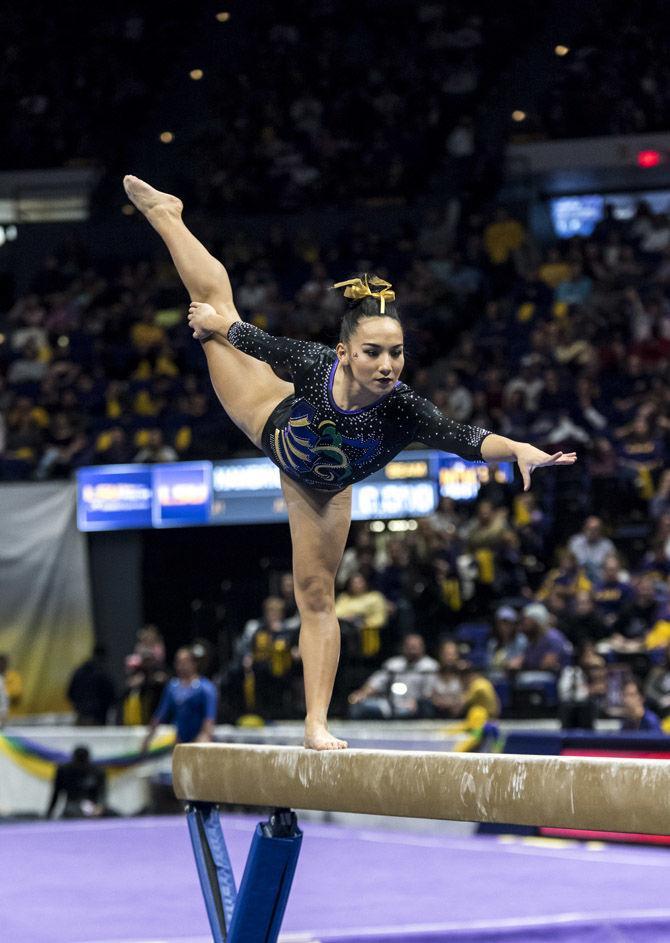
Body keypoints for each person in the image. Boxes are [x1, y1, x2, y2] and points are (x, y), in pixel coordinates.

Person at [124, 174, 577, 750]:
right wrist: (219, 328)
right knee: (214, 309)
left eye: (396, 352)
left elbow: (464, 436)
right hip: (267, 418)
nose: (387, 364)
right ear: (346, 353)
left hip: (324, 492)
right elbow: (258, 342)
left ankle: (316, 724)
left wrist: (516, 449)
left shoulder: (404, 409)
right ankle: (168, 215)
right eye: (372, 352)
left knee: (315, 597)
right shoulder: (316, 364)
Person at [347, 633, 438, 719]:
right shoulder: (393, 664)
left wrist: (417, 702)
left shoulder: (430, 667)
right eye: (409, 646)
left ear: (422, 647)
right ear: (403, 647)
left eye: (415, 646)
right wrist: (362, 693)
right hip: (391, 705)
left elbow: (429, 693)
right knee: (359, 706)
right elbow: (376, 682)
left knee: (427, 707)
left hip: (417, 706)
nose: (412, 650)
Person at [142, 647, 217, 751]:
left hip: (199, 741)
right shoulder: (173, 687)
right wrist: (148, 738)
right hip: (180, 741)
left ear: (194, 663)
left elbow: (209, 718)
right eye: (178, 662)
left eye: (185, 662)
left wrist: (204, 737)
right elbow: (160, 714)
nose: (181, 666)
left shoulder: (206, 687)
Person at [46, 746, 108, 819]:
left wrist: (100, 807)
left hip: (92, 807)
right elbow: (56, 793)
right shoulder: (64, 771)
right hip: (72, 807)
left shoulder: (97, 772)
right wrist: (49, 813)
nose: (81, 765)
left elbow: (102, 793)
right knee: (73, 811)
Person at [67, 646, 117, 725]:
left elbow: (70, 693)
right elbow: (111, 696)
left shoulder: (79, 672)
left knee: (80, 736)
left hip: (81, 715)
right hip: (97, 718)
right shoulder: (102, 674)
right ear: (103, 657)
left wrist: (79, 705)